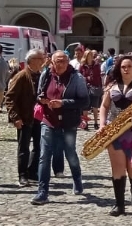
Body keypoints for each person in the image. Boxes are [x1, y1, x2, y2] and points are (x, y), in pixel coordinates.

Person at [31, 51, 90, 205]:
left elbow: (84, 101)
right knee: (44, 156)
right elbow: (38, 94)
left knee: (70, 153)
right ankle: (42, 192)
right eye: (58, 61)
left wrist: (63, 103)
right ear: (52, 62)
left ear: (68, 61)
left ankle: (77, 179)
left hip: (68, 123)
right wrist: (42, 99)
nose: (61, 64)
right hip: (48, 120)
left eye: (64, 61)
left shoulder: (76, 78)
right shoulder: (46, 75)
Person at [101, 54, 132, 215]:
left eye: (129, 66)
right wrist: (102, 125)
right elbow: (104, 106)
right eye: (123, 67)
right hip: (114, 131)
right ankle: (119, 204)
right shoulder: (112, 85)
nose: (126, 69)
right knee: (117, 168)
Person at [6, 49, 44, 186]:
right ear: (32, 60)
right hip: (24, 117)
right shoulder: (21, 76)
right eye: (40, 58)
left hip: (39, 118)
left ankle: (33, 172)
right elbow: (9, 98)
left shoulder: (41, 75)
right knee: (24, 148)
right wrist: (15, 117)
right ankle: (22, 175)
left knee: (39, 146)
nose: (43, 60)